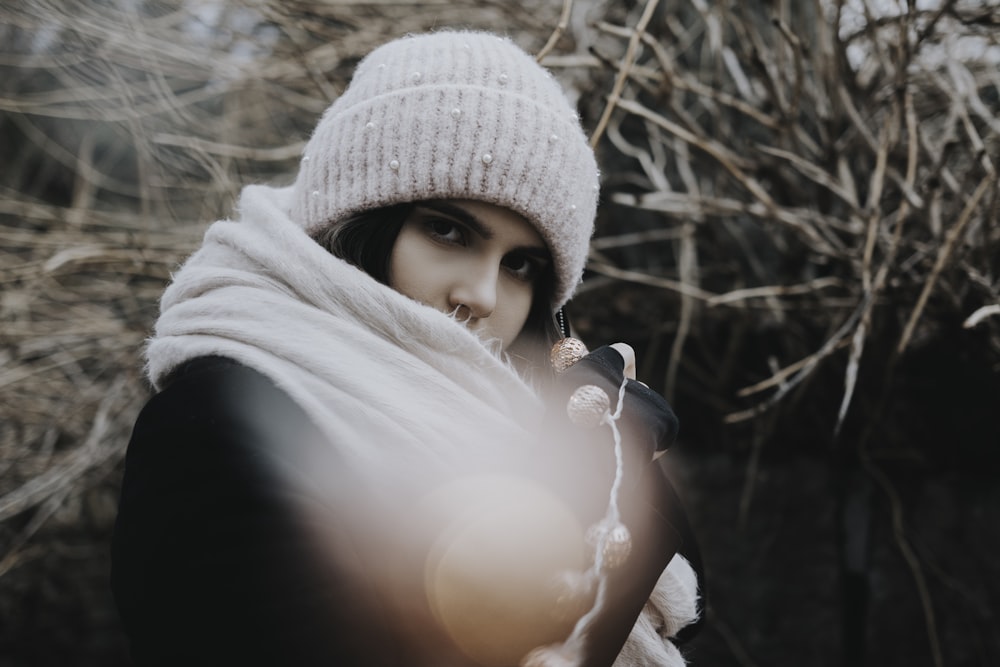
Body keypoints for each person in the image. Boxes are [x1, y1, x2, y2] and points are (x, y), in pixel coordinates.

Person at [111, 30, 704, 667]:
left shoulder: (515, 417)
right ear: (360, 224)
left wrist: (618, 468)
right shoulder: (217, 428)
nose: (479, 293)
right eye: (447, 230)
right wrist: (581, 493)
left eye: (522, 265)